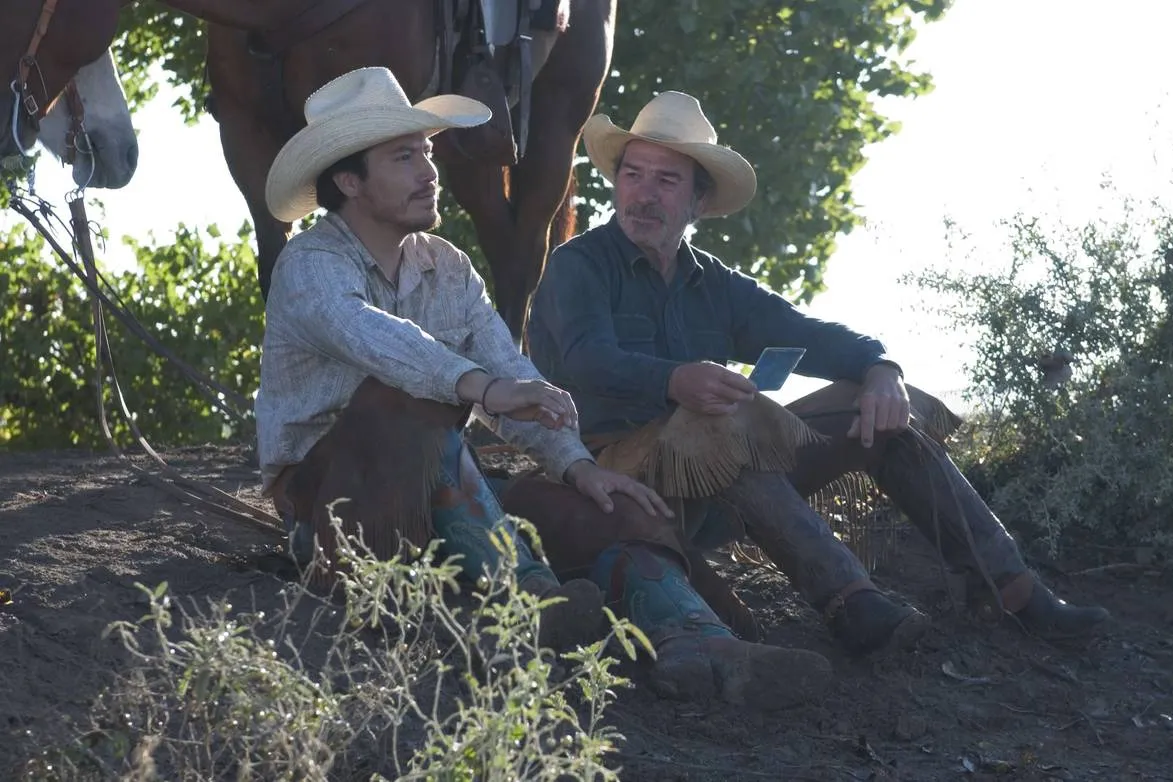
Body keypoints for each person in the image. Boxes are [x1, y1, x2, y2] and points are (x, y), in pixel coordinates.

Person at [254, 68, 830, 708]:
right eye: (404, 157)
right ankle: (525, 596)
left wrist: (579, 467)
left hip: (450, 490)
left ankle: (701, 644)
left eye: (427, 152)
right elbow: (372, 338)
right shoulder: (310, 264)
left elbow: (516, 379)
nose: (430, 170)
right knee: (409, 401)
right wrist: (476, 387)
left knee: (615, 509)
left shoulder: (447, 267)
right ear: (349, 182)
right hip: (337, 506)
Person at [525, 90, 1111, 656]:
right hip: (614, 473)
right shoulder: (578, 264)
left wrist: (882, 367)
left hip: (719, 475)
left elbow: (811, 335)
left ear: (698, 202)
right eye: (633, 174)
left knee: (874, 409)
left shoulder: (717, 282)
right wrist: (674, 380)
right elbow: (585, 361)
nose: (643, 194)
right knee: (723, 423)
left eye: (666, 180)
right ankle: (851, 605)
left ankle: (1010, 589)